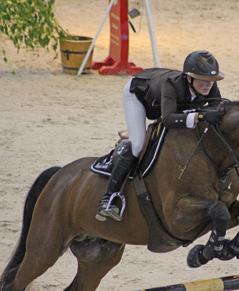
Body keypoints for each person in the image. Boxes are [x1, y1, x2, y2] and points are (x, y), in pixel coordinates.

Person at [96, 50, 225, 221]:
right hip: (138, 95)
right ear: (189, 78)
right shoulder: (171, 86)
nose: (209, 85)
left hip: (166, 103)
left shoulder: (209, 85)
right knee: (137, 144)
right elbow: (168, 119)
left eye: (211, 80)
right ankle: (108, 199)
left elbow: (219, 107)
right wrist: (199, 116)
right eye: (203, 80)